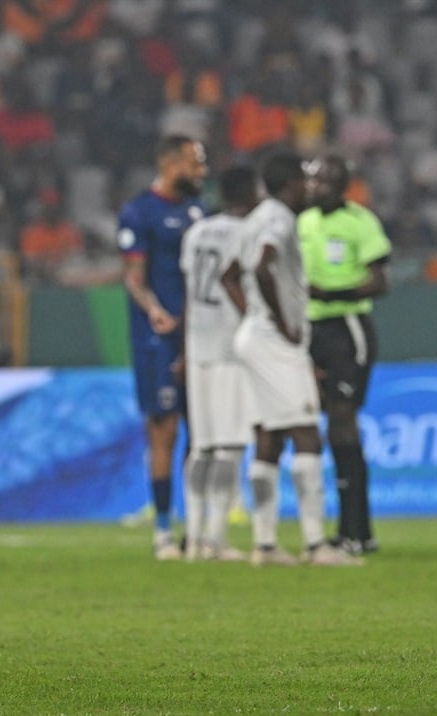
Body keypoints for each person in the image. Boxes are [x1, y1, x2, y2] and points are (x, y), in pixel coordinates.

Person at [223, 151, 361, 567]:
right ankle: (317, 545)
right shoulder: (280, 218)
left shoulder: (254, 218)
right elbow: (262, 267)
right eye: (304, 180)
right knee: (306, 433)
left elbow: (230, 272)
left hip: (253, 336)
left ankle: (265, 546)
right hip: (272, 340)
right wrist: (281, 322)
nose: (309, 187)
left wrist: (253, 314)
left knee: (269, 436)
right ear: (290, 185)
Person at [118, 134, 207, 560]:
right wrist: (155, 310)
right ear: (171, 164)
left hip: (199, 334)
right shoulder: (139, 212)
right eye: (196, 164)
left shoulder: (198, 212)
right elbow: (133, 276)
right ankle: (163, 531)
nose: (202, 173)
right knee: (164, 431)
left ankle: (199, 528)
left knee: (201, 433)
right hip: (158, 337)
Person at [299, 155, 391, 555]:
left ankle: (355, 528)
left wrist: (331, 294)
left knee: (342, 420)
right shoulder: (302, 223)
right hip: (308, 329)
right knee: (318, 422)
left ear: (341, 186)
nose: (314, 188)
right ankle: (348, 530)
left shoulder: (361, 222)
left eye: (323, 182)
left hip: (347, 327)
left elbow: (379, 282)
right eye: (312, 181)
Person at [178, 164, 259, 562]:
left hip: (197, 348)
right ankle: (216, 538)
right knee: (229, 447)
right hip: (230, 348)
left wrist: (182, 349)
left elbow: (187, 293)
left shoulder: (195, 234)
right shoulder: (247, 234)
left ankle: (193, 538)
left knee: (201, 447)